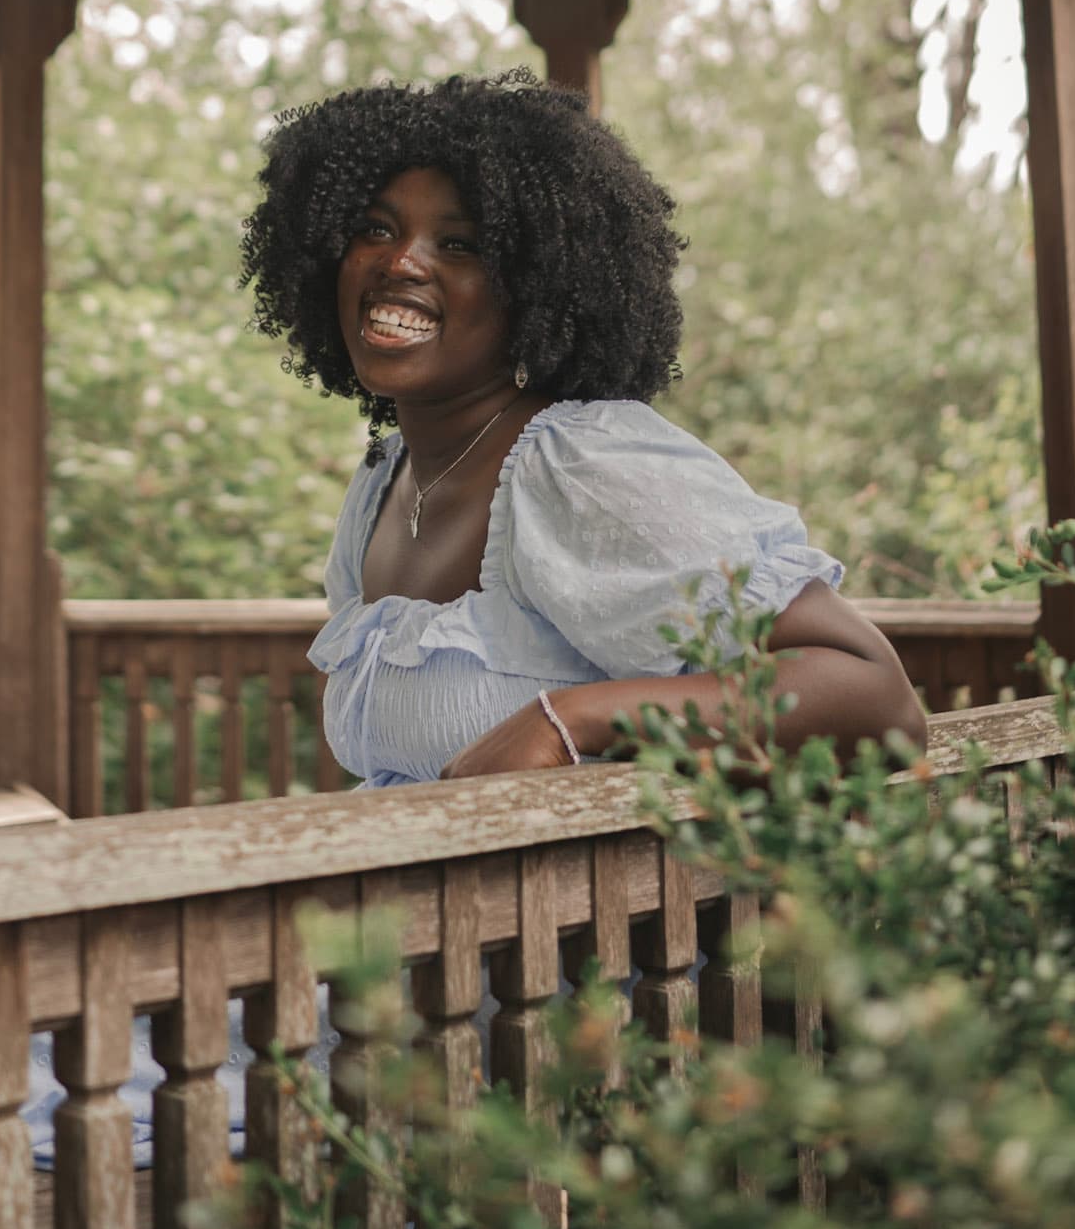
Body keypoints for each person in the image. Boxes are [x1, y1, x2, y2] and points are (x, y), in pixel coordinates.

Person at [242, 71, 925, 788]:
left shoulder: (580, 465)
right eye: (376, 229)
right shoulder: (385, 481)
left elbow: (875, 700)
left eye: (461, 244)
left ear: (538, 289)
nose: (401, 261)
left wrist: (568, 718)